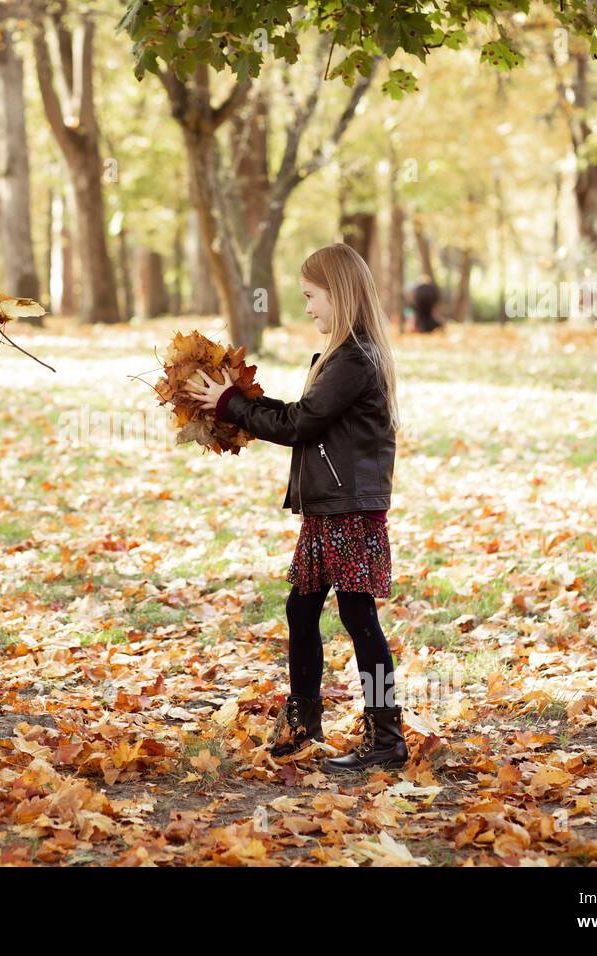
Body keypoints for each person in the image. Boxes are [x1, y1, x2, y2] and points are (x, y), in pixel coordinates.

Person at [185, 243, 408, 773]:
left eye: (312, 296)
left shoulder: (354, 358)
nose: (307, 307)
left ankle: (387, 736)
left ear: (340, 293)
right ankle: (305, 722)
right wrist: (235, 400)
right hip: (330, 507)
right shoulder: (344, 355)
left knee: (358, 616)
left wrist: (230, 403)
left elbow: (298, 425)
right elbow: (301, 416)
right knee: (302, 609)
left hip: (349, 510)